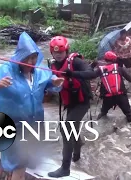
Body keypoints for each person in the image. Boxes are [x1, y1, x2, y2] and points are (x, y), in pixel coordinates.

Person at [0, 32, 64, 180]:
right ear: (20, 57)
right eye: (28, 57)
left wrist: (53, 82)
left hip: (34, 125)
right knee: (19, 163)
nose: (31, 61)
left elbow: (48, 81)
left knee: (26, 162)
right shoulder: (3, 70)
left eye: (34, 57)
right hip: (12, 126)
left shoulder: (39, 72)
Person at [47, 36, 93, 178]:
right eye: (56, 52)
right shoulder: (52, 65)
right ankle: (78, 146)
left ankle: (65, 168)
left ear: (66, 51)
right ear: (52, 53)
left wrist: (73, 73)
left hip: (82, 102)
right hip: (69, 103)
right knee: (70, 128)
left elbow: (91, 73)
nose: (59, 54)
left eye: (61, 51)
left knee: (67, 128)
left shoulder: (76, 62)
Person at [63, 51, 131, 123]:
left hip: (108, 98)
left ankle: (101, 118)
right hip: (121, 96)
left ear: (105, 60)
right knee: (129, 115)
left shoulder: (100, 70)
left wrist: (73, 73)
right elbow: (130, 78)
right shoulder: (119, 69)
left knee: (103, 112)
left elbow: (90, 75)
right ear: (115, 60)